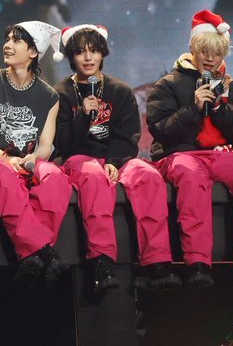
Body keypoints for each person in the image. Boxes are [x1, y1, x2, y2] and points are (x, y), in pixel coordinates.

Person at [146, 10, 233, 288]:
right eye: (205, 51)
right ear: (193, 48)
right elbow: (160, 130)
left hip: (221, 155)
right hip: (181, 155)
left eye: (216, 53)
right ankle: (197, 263)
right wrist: (193, 108)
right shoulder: (168, 84)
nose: (210, 58)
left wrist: (221, 111)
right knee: (191, 176)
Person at [53, 25, 180, 293]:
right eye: (81, 52)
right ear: (71, 57)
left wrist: (114, 161)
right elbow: (62, 142)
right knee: (93, 176)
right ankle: (102, 262)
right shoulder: (61, 93)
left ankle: (156, 261)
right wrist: (82, 117)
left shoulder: (120, 90)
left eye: (94, 51)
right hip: (79, 158)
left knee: (148, 176)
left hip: (117, 158)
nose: (88, 57)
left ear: (103, 54)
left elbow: (128, 135)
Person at [0, 21, 72, 287]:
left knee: (55, 177)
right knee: (4, 173)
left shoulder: (49, 96)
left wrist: (35, 158)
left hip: (26, 161)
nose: (7, 45)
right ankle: (45, 253)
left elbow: (46, 145)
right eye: (7, 39)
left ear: (33, 52)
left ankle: (32, 256)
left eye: (16, 41)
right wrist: (5, 158)